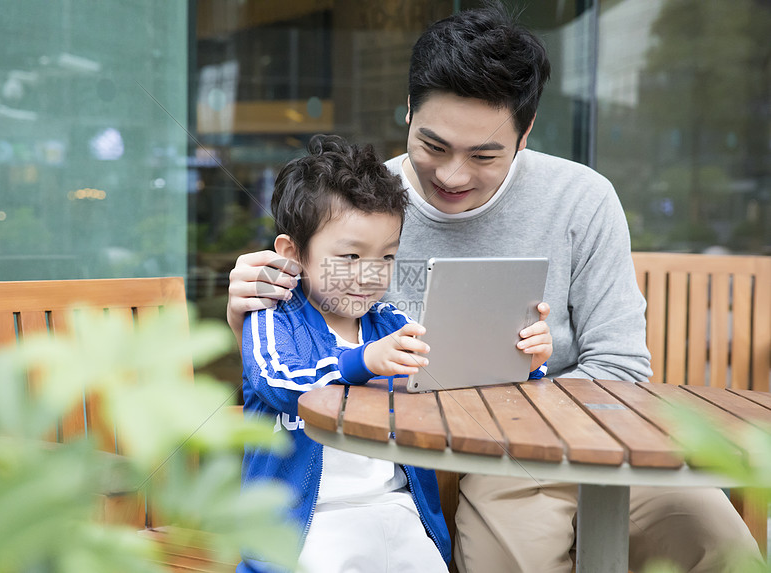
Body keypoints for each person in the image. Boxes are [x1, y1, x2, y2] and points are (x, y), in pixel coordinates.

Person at [228, 4, 764, 573]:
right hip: (490, 464)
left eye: (484, 154)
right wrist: (251, 314)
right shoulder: (363, 210)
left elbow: (622, 365)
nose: (453, 176)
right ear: (408, 112)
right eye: (433, 146)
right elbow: (301, 345)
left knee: (722, 550)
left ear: (525, 132)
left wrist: (528, 382)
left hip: (608, 441)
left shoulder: (581, 199)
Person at [238, 133, 553, 573]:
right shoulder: (275, 319)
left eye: (387, 257)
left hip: (396, 508)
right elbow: (280, 383)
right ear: (293, 254)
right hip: (308, 523)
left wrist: (525, 359)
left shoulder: (389, 323)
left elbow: (456, 374)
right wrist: (363, 361)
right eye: (349, 256)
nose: (370, 274)